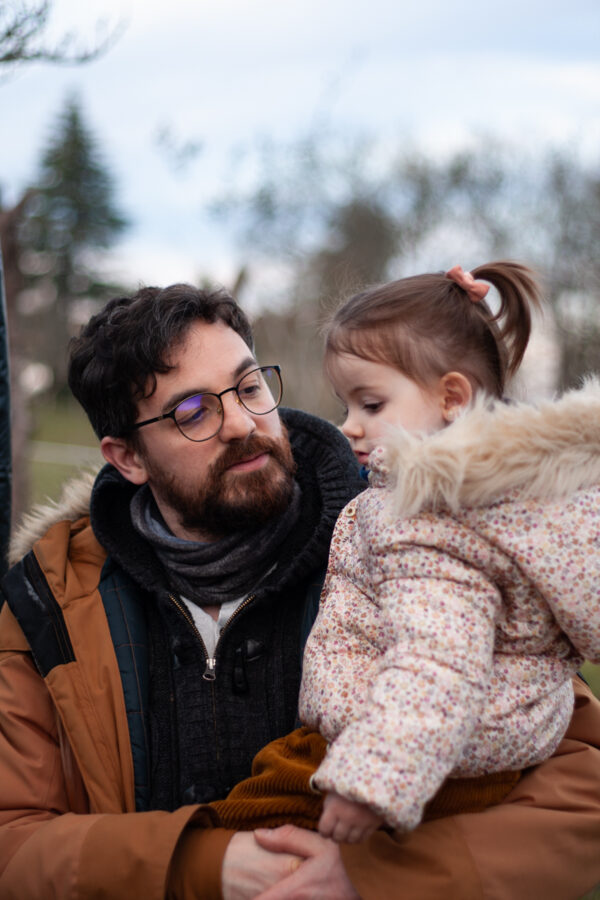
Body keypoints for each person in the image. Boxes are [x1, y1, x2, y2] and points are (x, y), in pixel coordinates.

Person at [0, 281, 598, 900]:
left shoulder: (411, 539)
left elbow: (582, 794)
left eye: (249, 386)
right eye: (192, 412)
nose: (240, 422)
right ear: (127, 458)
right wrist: (206, 866)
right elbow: (12, 843)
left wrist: (374, 879)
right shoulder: (51, 604)